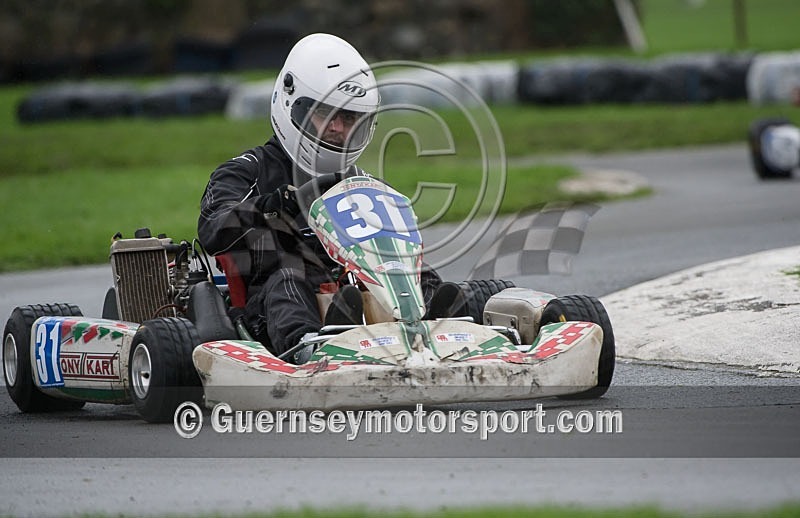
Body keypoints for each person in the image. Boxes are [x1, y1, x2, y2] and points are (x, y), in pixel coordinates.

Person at [198, 33, 449, 360]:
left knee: (417, 274)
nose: (339, 129)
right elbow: (213, 228)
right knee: (289, 277)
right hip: (268, 303)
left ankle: (446, 325)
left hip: (353, 283)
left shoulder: (360, 181)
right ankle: (312, 349)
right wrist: (268, 208)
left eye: (349, 118)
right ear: (291, 103)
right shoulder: (248, 170)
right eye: (327, 114)